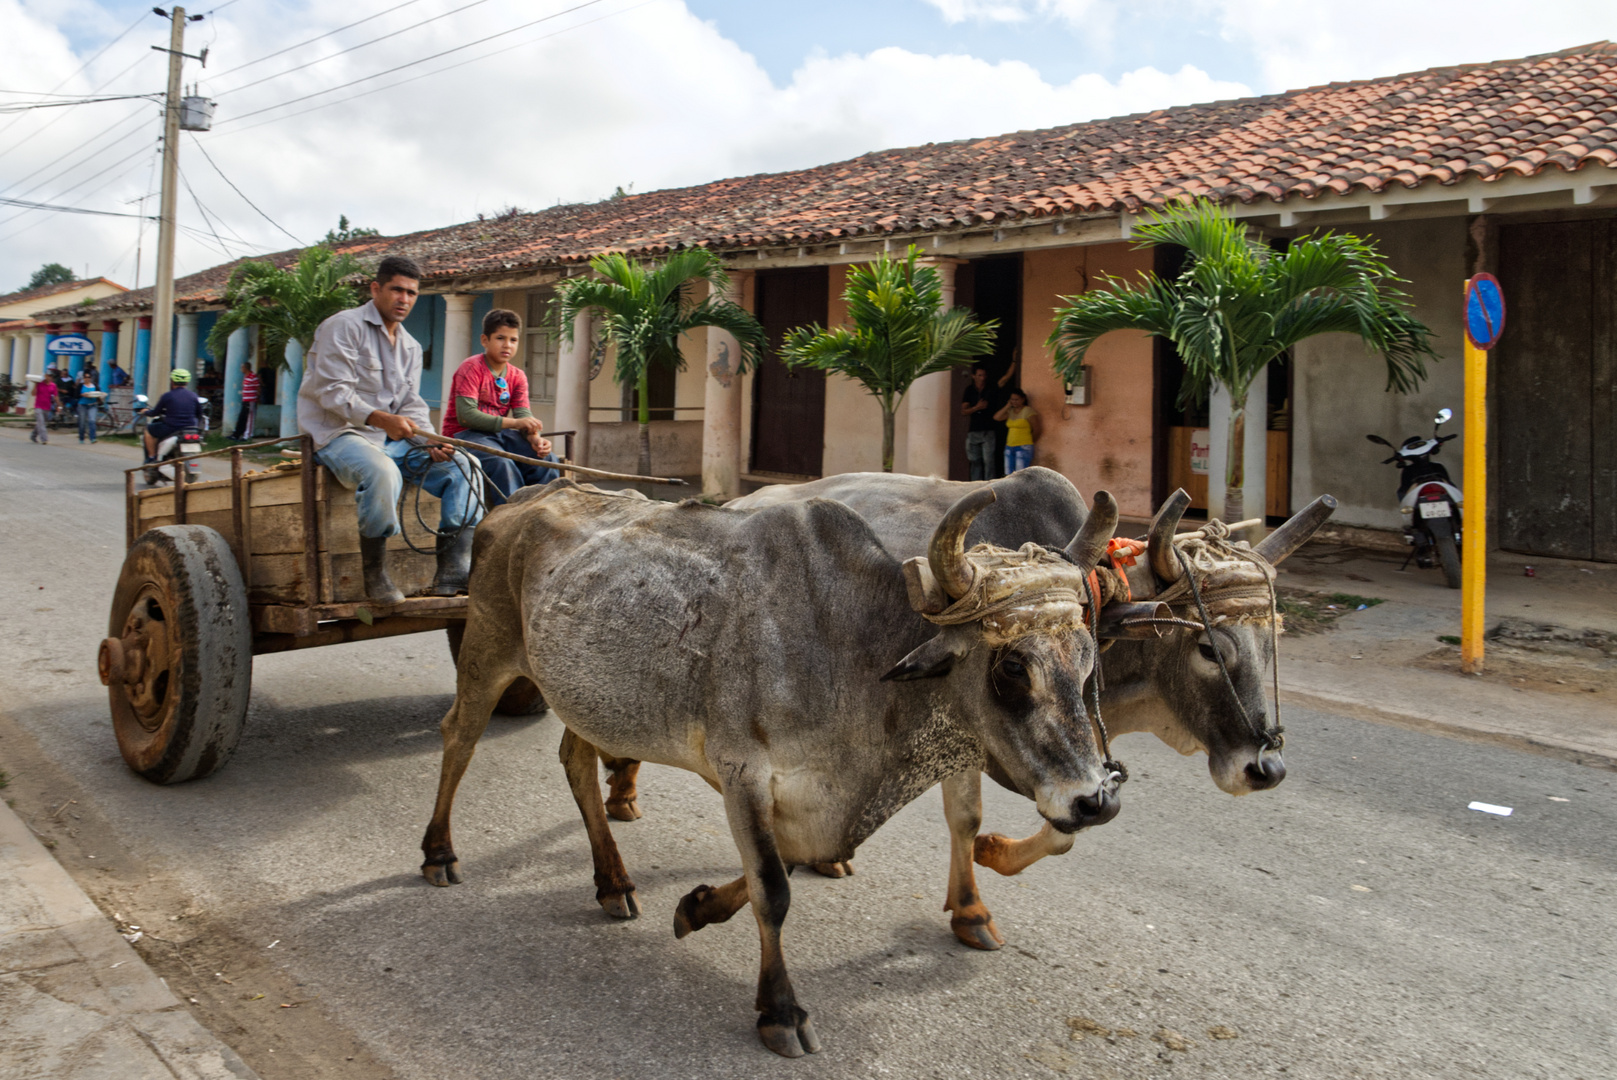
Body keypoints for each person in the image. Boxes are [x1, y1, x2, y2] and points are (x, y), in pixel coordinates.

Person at [298, 254, 485, 604]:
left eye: (412, 293)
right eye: (397, 290)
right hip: (338, 435)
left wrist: (429, 440)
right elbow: (331, 392)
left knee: (466, 465)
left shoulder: (411, 347)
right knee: (382, 471)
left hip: (390, 439)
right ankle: (376, 573)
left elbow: (410, 403)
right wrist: (383, 420)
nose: (404, 300)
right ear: (376, 289)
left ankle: (452, 570)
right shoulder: (343, 326)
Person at [443, 309, 559, 505]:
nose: (507, 345)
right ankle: (510, 522)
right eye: (500, 338)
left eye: (513, 340)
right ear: (485, 340)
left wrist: (535, 439)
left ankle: (544, 514)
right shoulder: (471, 368)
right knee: (502, 464)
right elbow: (466, 416)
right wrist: (515, 422)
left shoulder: (517, 375)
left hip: (499, 435)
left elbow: (523, 414)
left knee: (547, 461)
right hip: (464, 434)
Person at [959, 360, 1015, 481]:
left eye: (984, 375)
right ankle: (975, 486)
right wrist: (976, 408)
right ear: (973, 376)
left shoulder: (991, 387)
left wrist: (1014, 360)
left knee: (989, 461)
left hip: (989, 430)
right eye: (979, 375)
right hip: (973, 431)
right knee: (975, 461)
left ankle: (989, 486)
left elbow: (1005, 379)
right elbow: (963, 411)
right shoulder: (969, 390)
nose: (982, 378)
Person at [142, 368, 202, 462]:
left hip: (172, 428)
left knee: (148, 430)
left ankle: (152, 457)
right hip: (190, 428)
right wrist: (197, 427)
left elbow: (155, 413)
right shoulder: (193, 395)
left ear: (172, 381)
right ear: (187, 382)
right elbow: (199, 414)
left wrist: (145, 412)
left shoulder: (167, 396)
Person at [993, 387, 1040, 474]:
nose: (1014, 401)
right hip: (1009, 446)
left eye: (1017, 399)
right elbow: (997, 417)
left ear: (1023, 399)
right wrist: (1007, 406)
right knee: (1008, 473)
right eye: (1012, 399)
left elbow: (1037, 429)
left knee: (1020, 474)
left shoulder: (1028, 411)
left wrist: (1030, 441)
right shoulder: (1010, 412)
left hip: (1023, 447)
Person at [231, 362, 260, 440]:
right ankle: (238, 434)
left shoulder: (253, 376)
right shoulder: (246, 377)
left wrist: (256, 398)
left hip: (251, 400)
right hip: (245, 399)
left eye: (242, 367)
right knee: (243, 417)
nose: (241, 369)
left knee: (250, 418)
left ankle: (248, 435)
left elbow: (258, 388)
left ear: (245, 368)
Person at [30, 373, 57, 445]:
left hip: (47, 407)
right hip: (38, 406)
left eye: (51, 376)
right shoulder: (39, 384)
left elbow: (56, 396)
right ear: (45, 376)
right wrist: (35, 384)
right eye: (48, 375)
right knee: (41, 422)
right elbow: (33, 394)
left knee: (41, 422)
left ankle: (33, 435)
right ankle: (44, 439)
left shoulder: (53, 385)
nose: (49, 377)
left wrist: (58, 405)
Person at [76, 368, 101, 443]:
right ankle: (81, 438)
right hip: (82, 405)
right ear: (83, 378)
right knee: (82, 422)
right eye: (86, 377)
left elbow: (98, 394)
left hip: (92, 405)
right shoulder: (81, 386)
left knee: (92, 420)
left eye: (89, 377)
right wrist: (82, 395)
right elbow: (76, 395)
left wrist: (100, 398)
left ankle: (92, 437)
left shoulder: (94, 386)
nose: (87, 379)